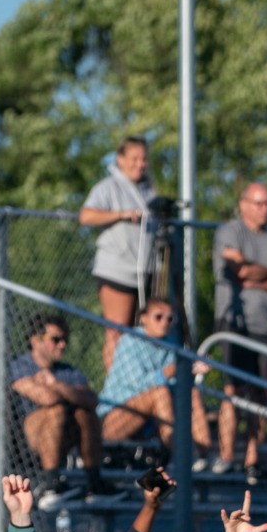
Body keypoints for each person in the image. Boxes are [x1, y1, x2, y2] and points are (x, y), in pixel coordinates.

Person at [212, 183, 267, 469]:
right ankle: (226, 456)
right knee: (232, 389)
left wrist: (263, 276)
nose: (265, 209)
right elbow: (242, 270)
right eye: (259, 204)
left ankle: (252, 459)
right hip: (236, 324)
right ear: (244, 204)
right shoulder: (230, 232)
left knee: (261, 395)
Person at [78, 135, 159, 369]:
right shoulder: (108, 187)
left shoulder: (148, 191)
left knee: (144, 335)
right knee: (117, 332)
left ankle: (138, 391)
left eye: (144, 159)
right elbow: (86, 216)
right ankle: (115, 392)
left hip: (144, 271)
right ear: (120, 160)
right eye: (134, 158)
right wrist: (121, 214)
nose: (140, 164)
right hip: (117, 271)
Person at [11, 313, 108, 505]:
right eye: (55, 339)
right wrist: (68, 393)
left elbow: (91, 401)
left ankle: (95, 484)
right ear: (35, 340)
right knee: (56, 410)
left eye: (64, 340)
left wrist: (55, 384)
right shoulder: (19, 365)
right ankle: (50, 484)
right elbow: (47, 399)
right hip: (28, 438)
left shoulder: (68, 371)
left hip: (65, 435)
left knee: (84, 413)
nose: (62, 345)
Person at [97, 300, 213, 457]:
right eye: (158, 317)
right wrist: (170, 371)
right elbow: (140, 385)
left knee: (191, 392)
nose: (164, 322)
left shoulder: (171, 342)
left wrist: (190, 370)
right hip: (114, 417)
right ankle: (181, 459)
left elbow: (174, 383)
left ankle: (204, 457)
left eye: (169, 319)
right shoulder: (129, 341)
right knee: (160, 392)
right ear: (143, 318)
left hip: (151, 418)